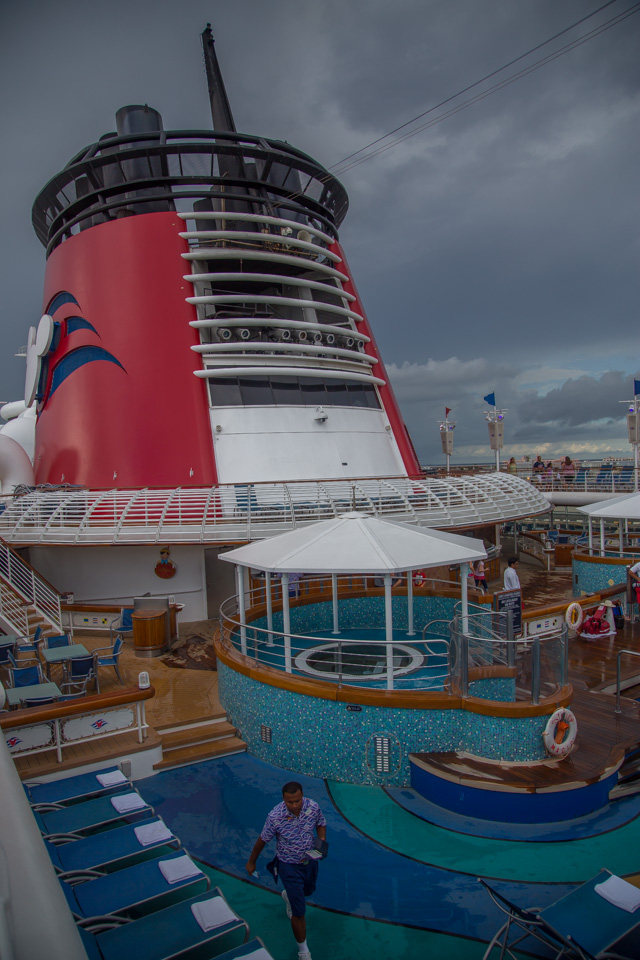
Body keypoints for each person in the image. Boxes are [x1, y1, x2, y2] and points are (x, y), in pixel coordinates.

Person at [246, 782, 326, 960]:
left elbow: (321, 823)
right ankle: (304, 951)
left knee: (307, 892)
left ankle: (289, 896)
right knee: (299, 912)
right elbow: (262, 840)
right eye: (290, 802)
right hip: (288, 866)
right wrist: (252, 861)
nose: (294, 805)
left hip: (310, 861)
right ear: (283, 799)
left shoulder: (313, 807)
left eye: (297, 801)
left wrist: (321, 842)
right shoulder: (275, 816)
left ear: (302, 796)